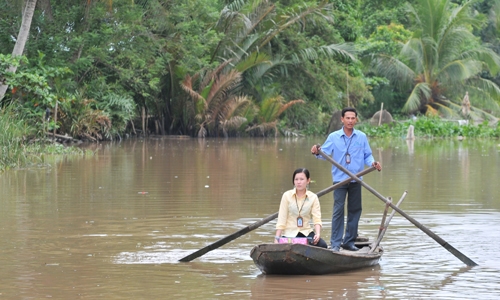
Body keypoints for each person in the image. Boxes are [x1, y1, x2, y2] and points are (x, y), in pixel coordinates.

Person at [311, 107, 382, 252]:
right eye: (347, 118)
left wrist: (373, 163)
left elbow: (367, 156)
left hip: (356, 179)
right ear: (342, 119)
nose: (350, 121)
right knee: (338, 210)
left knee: (355, 210)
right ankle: (336, 244)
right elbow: (323, 154)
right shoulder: (334, 137)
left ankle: (349, 241)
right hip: (340, 181)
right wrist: (316, 151)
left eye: (353, 118)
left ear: (356, 119)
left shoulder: (361, 137)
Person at [274, 168, 328, 248]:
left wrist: (318, 234)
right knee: (291, 247)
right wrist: (277, 238)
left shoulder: (313, 197)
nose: (298, 182)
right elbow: (282, 218)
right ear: (293, 181)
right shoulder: (287, 196)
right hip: (289, 233)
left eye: (302, 179)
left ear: (308, 180)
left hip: (306, 232)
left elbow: (317, 219)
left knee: (323, 245)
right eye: (296, 179)